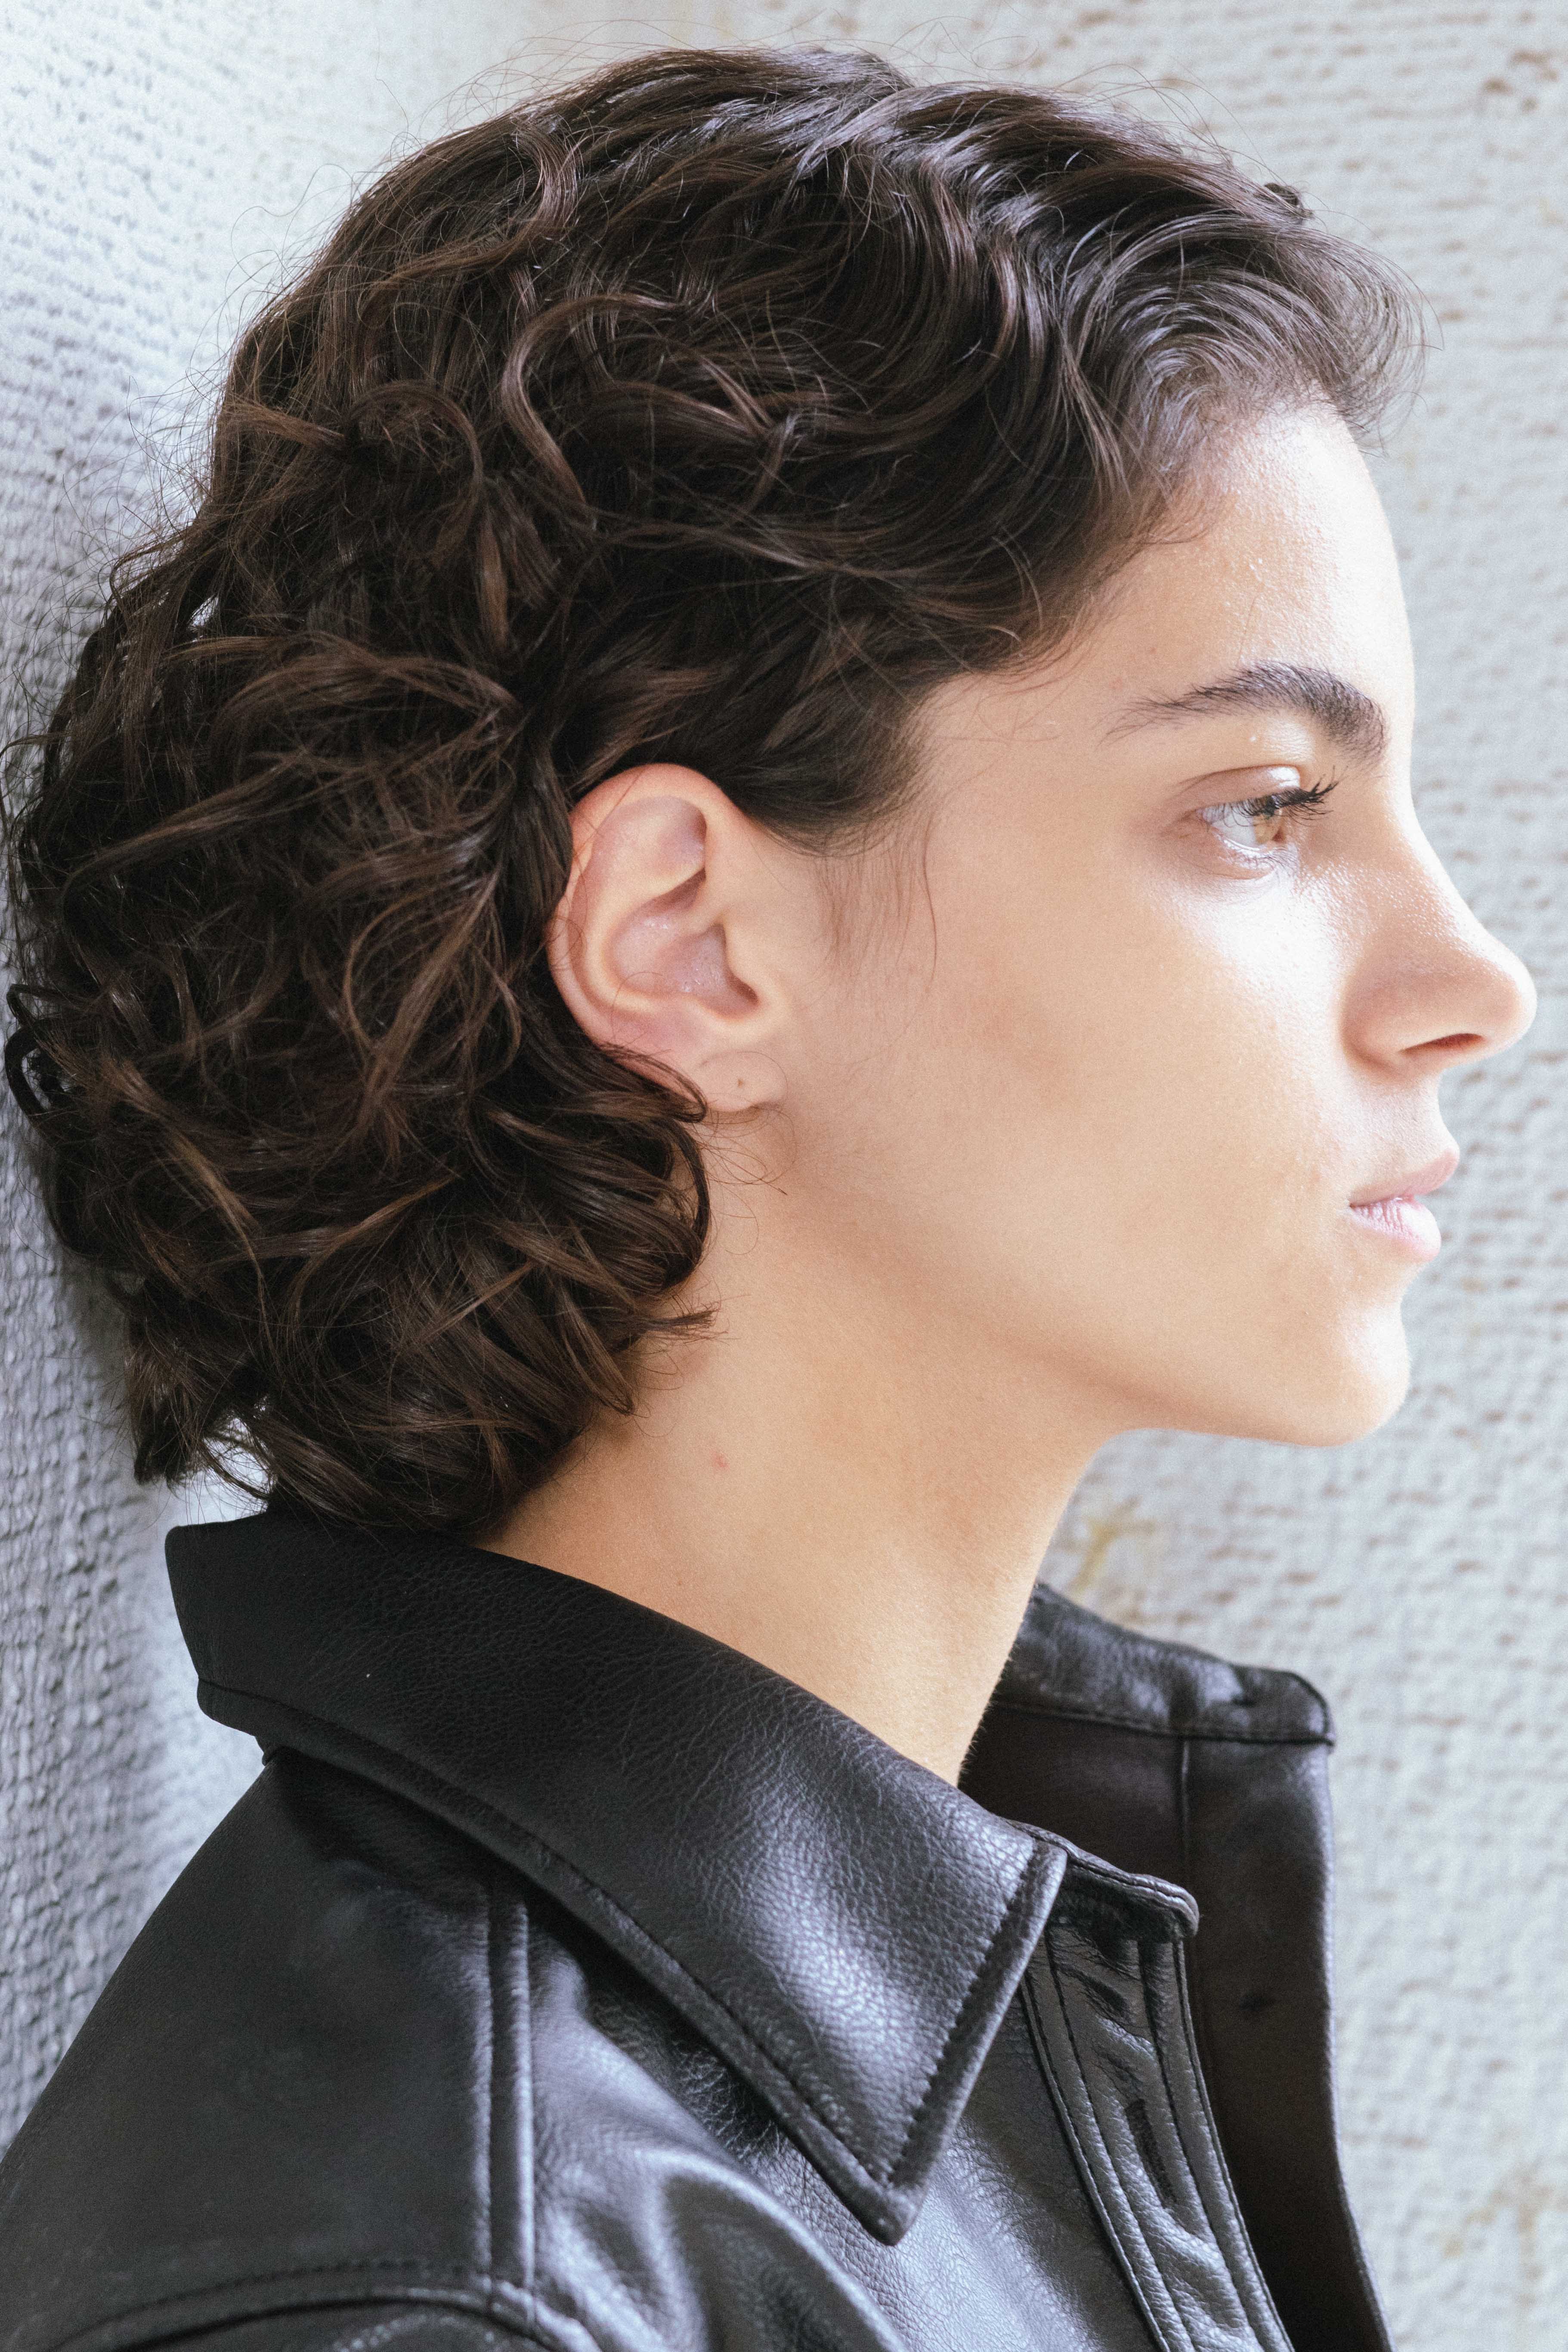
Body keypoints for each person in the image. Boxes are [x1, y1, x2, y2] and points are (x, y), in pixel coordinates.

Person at [0, 42, 1534, 2352]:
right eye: (1263, 805)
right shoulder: (453, 2295)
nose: (1476, 983)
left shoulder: (979, 1956)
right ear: (689, 942)